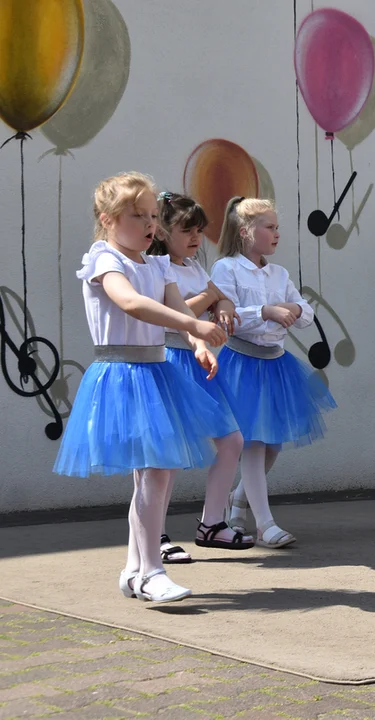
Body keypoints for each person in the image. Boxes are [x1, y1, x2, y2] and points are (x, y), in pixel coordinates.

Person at [54, 172, 228, 603]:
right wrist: (192, 323)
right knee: (152, 475)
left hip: (156, 371)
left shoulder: (157, 263)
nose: (151, 224)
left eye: (153, 216)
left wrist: (198, 344)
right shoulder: (104, 260)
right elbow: (131, 302)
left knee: (158, 476)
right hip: (122, 375)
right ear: (108, 218)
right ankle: (150, 569)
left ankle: (136, 569)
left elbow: (171, 306)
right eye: (138, 215)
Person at [212, 197, 336, 549]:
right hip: (243, 365)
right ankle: (266, 524)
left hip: (276, 364)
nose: (277, 233)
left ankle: (238, 499)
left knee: (273, 445)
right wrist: (266, 310)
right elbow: (229, 317)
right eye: (270, 227)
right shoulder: (226, 269)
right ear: (245, 231)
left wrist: (294, 307)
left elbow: (307, 312)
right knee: (253, 443)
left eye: (277, 226)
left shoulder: (278, 274)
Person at [147, 192, 252, 561]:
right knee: (167, 454)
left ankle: (212, 523)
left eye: (198, 230)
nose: (195, 238)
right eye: (186, 230)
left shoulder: (194, 267)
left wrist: (221, 304)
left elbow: (220, 298)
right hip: (170, 361)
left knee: (232, 440)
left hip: (200, 362)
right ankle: (154, 536)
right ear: (161, 231)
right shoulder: (154, 268)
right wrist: (208, 299)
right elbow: (165, 314)